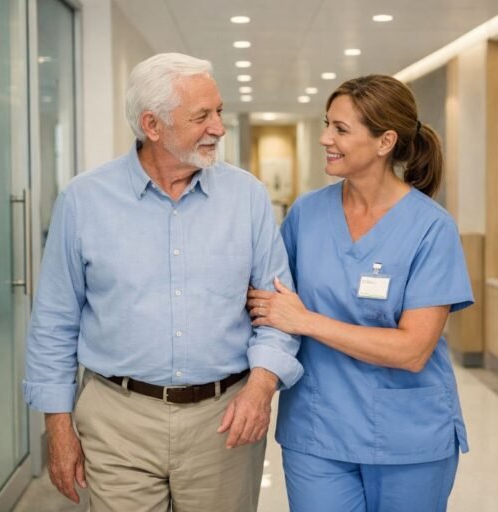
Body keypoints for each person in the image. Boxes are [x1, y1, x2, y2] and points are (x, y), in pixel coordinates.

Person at [23, 53, 303, 512]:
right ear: (153, 125)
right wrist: (57, 428)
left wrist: (260, 388)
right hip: (117, 418)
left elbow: (278, 311)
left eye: (219, 111)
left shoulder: (247, 197)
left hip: (224, 419)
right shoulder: (83, 200)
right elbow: (54, 321)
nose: (218, 127)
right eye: (202, 116)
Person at [247, 74, 473, 512]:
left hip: (409, 437)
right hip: (318, 429)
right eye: (326, 124)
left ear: (385, 141)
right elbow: (270, 302)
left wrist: (306, 320)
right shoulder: (306, 214)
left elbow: (412, 349)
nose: (324, 138)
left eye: (340, 129)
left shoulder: (431, 228)